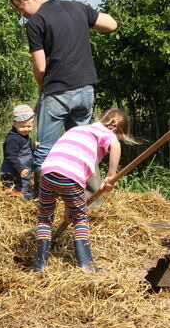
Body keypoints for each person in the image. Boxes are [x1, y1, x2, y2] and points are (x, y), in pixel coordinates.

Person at [9, 0, 119, 196]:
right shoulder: (77, 7)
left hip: (58, 93)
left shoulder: (36, 22)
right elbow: (111, 24)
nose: (23, 15)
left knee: (44, 151)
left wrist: (42, 88)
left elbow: (40, 66)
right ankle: (90, 202)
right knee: (83, 147)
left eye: (21, 8)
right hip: (85, 89)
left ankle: (43, 205)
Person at [32, 109, 135, 272]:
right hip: (71, 178)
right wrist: (110, 176)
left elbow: (65, 165)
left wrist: (68, 208)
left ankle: (40, 264)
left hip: (47, 173)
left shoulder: (77, 129)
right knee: (80, 218)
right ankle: (86, 265)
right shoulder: (106, 134)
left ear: (99, 118)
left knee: (45, 218)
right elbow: (114, 145)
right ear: (114, 130)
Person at [0, 104, 37, 200]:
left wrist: (33, 145)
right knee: (14, 189)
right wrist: (20, 169)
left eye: (29, 126)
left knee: (23, 185)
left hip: (22, 170)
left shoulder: (22, 135)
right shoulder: (13, 138)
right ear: (14, 124)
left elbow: (23, 148)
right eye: (22, 126)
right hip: (13, 171)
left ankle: (24, 199)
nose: (26, 129)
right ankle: (22, 201)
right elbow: (10, 155)